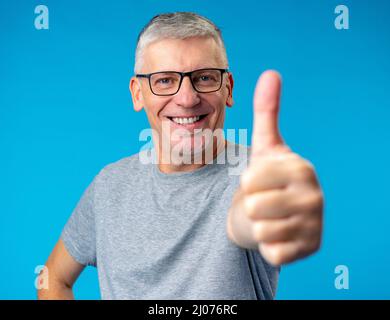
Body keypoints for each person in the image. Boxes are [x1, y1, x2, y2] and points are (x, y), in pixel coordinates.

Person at [37, 12, 324, 300]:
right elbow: (53, 279)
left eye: (205, 78)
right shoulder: (110, 184)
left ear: (229, 88)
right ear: (138, 93)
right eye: (164, 81)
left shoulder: (255, 175)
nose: (187, 98)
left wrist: (276, 211)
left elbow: (246, 218)